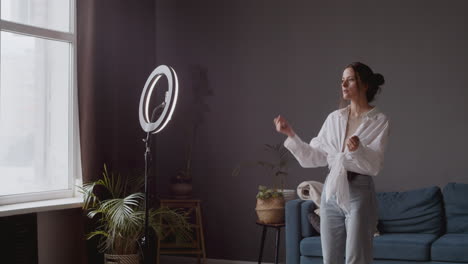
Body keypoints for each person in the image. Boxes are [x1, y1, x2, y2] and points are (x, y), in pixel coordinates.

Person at [273, 62, 389, 264]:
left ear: (365, 85)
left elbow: (375, 165)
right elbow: (316, 156)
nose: (344, 84)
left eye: (350, 79)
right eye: (342, 80)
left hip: (359, 192)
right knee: (330, 258)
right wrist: (290, 134)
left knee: (357, 258)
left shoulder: (379, 120)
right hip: (331, 190)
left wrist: (358, 150)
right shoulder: (334, 118)